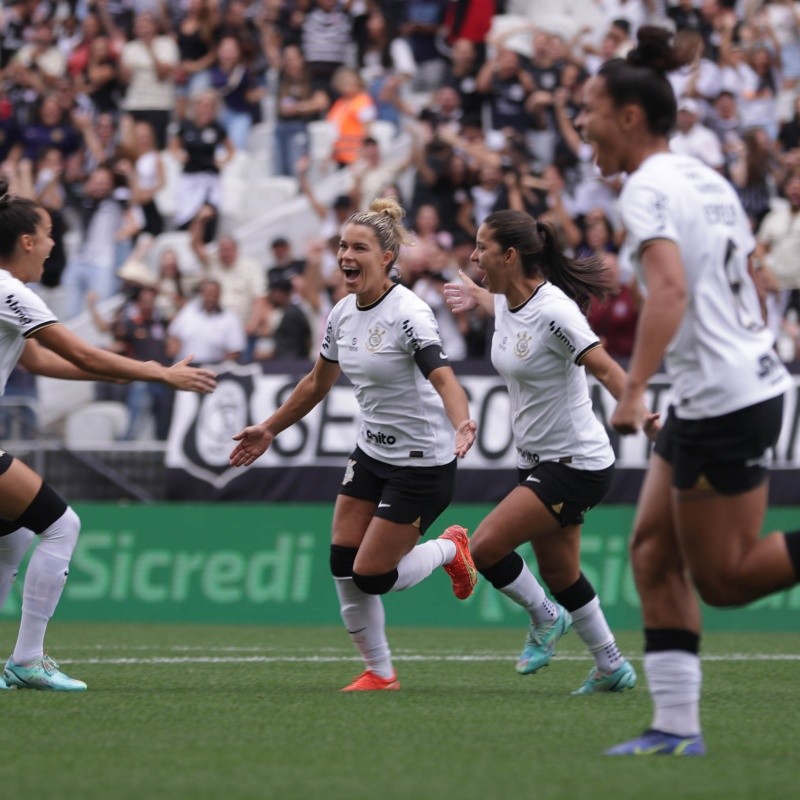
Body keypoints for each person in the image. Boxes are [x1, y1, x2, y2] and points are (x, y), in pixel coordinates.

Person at [575, 25, 797, 756]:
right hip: (732, 385)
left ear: (629, 117)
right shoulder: (705, 175)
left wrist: (633, 390)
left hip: (724, 396)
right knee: (649, 552)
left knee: (727, 580)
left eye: (590, 110)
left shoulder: (647, 188)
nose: (582, 124)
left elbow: (667, 290)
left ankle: (677, 727)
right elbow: (750, 274)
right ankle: (676, 729)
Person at [229, 198, 478, 692]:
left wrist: (463, 421)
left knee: (371, 575)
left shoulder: (410, 313)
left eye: (358, 247)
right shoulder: (342, 313)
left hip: (421, 464)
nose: (345, 254)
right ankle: (380, 673)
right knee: (343, 565)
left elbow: (444, 379)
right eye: (342, 245)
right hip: (371, 453)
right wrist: (270, 428)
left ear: (386, 257)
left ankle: (450, 549)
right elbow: (316, 384)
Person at [0, 177, 216, 691]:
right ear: (27, 241)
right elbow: (79, 351)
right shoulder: (10, 290)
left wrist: (117, 373)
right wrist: (157, 372)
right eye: (48, 233)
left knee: (14, 537)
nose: (54, 244)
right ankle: (27, 659)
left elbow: (37, 359)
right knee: (61, 525)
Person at [443, 210, 656, 695]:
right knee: (561, 573)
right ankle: (611, 666)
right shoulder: (507, 299)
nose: (474, 256)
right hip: (537, 460)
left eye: (482, 248)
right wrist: (473, 294)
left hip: (576, 462)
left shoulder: (557, 311)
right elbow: (501, 310)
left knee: (485, 547)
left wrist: (645, 417)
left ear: (511, 255)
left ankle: (545, 618)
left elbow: (605, 368)